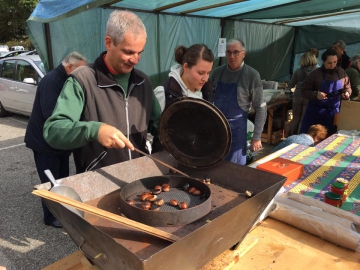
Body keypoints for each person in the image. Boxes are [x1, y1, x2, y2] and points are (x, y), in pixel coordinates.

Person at [43, 10, 161, 174]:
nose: (135, 60)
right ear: (109, 43)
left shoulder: (143, 81)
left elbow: (159, 125)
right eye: (128, 52)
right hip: (99, 181)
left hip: (138, 176)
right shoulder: (83, 80)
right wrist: (95, 130)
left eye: (139, 52)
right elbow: (54, 131)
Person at [25, 52, 87, 228]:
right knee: (49, 180)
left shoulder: (66, 80)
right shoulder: (52, 81)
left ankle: (62, 210)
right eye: (80, 70)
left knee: (61, 179)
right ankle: (50, 217)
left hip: (58, 143)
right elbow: (50, 114)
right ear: (70, 67)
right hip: (44, 142)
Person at [210, 39, 266, 165]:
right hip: (217, 128)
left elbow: (261, 107)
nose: (232, 56)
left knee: (233, 168)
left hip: (237, 130)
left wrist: (256, 136)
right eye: (228, 52)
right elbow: (207, 99)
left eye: (236, 52)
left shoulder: (251, 75)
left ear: (244, 54)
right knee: (215, 164)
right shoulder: (217, 73)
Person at [300, 48, 351, 136]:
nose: (333, 65)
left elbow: (348, 87)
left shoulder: (341, 72)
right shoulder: (315, 74)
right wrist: (316, 95)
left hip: (333, 113)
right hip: (316, 113)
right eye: (329, 63)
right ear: (323, 61)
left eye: (335, 62)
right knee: (312, 139)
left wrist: (346, 92)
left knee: (330, 140)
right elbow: (304, 91)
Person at [154, 44, 214, 111]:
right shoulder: (163, 93)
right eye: (200, 73)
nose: (205, 79)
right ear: (185, 67)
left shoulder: (209, 89)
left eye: (208, 73)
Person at [288, 52, 317, 135]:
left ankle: (292, 136)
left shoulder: (298, 71)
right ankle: (300, 136)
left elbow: (291, 84)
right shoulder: (316, 72)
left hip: (297, 96)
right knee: (304, 119)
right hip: (309, 96)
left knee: (296, 118)